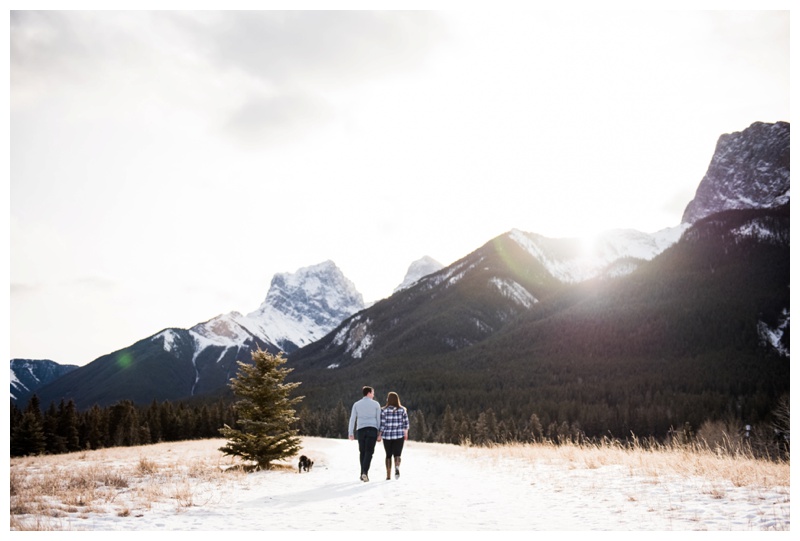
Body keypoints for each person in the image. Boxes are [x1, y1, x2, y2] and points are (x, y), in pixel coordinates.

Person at [348, 385, 382, 482]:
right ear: (369, 393)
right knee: (369, 452)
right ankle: (364, 473)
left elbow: (352, 419)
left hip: (361, 430)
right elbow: (378, 419)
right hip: (372, 429)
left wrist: (351, 432)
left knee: (362, 452)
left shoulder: (356, 404)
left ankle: (362, 473)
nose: (373, 394)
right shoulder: (376, 404)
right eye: (373, 393)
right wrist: (379, 433)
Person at [379, 391, 409, 480]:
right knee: (397, 454)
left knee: (388, 455)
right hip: (399, 436)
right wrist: (406, 434)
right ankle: (397, 467)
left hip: (387, 436)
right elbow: (406, 423)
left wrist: (380, 435)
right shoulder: (402, 410)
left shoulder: (383, 410)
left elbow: (382, 424)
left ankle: (388, 475)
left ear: (388, 399)